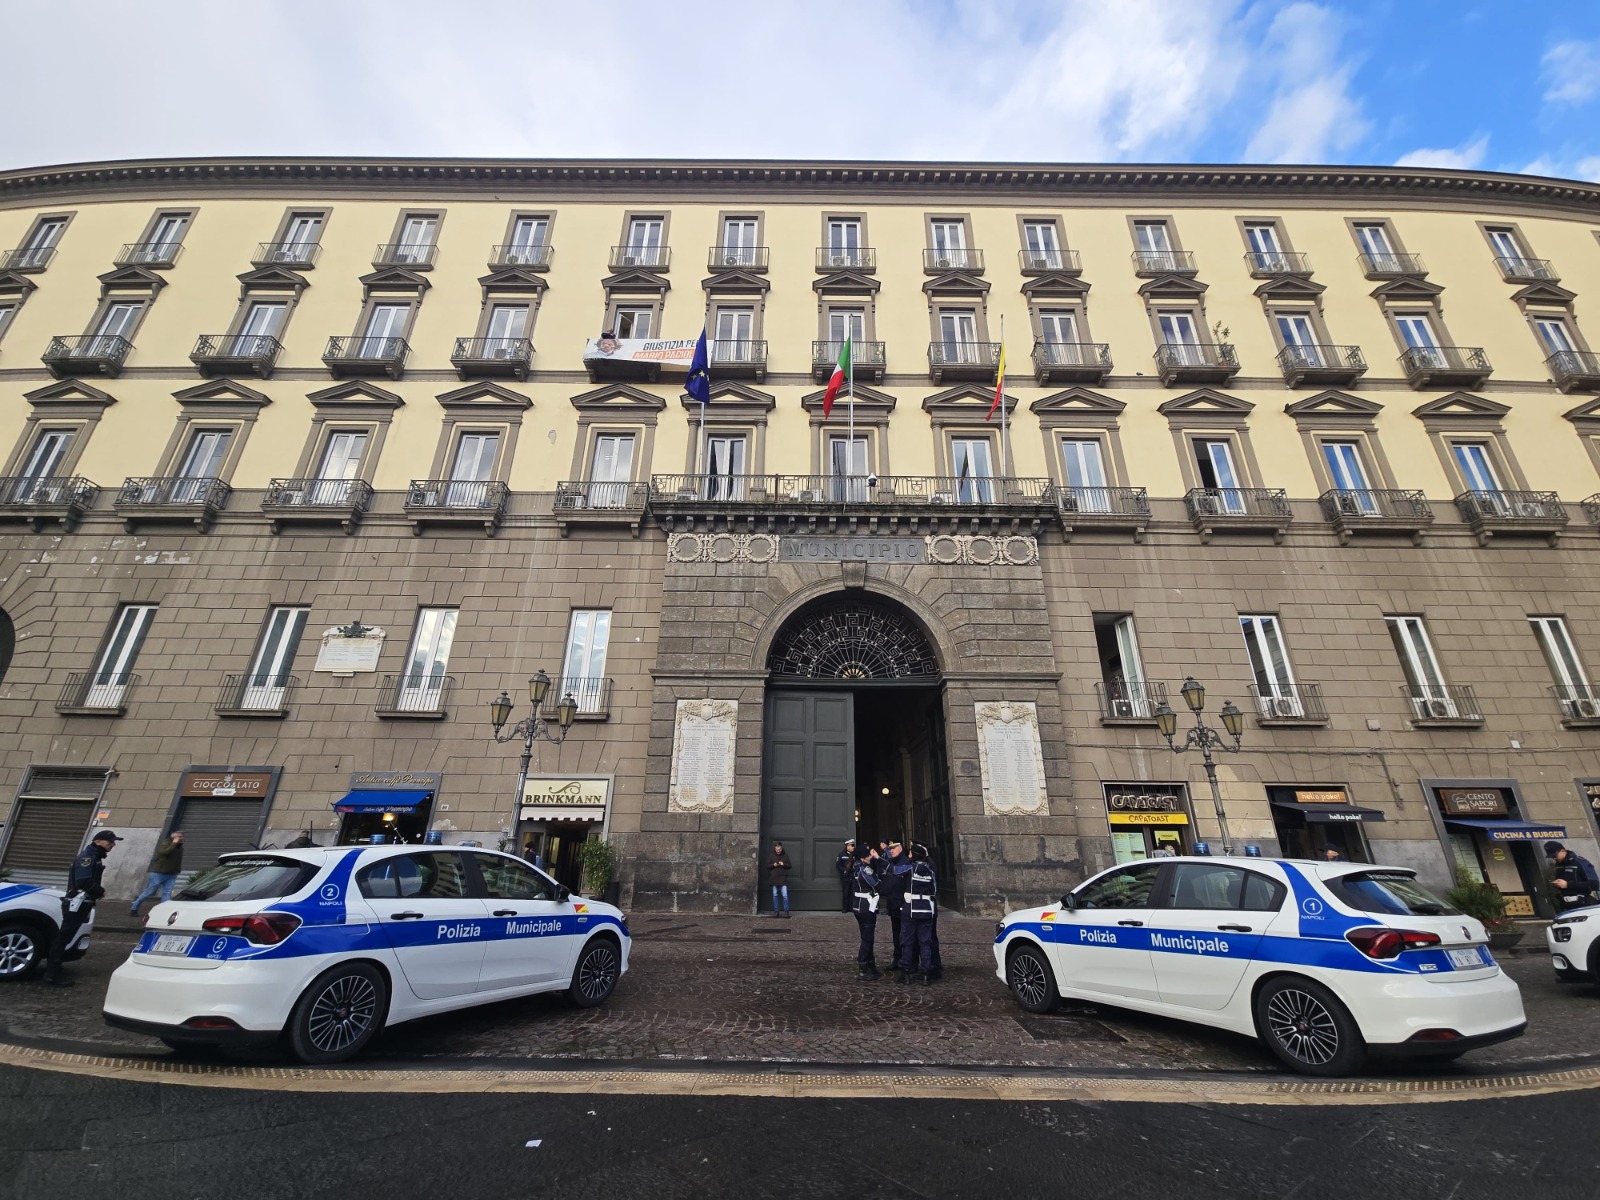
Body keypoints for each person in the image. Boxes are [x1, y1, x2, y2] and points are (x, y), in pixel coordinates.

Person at [44, 829, 122, 986]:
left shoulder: (94, 856)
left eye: (114, 842)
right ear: (98, 842)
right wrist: (100, 891)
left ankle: (54, 970)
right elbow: (84, 881)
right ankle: (52, 973)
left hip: (81, 903)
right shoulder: (88, 857)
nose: (112, 845)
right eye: (110, 842)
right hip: (76, 903)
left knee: (66, 936)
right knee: (64, 937)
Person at [899, 841, 940, 985]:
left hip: (911, 909)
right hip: (926, 910)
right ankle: (926, 974)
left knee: (907, 941)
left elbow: (895, 871)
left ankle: (906, 972)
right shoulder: (930, 871)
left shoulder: (910, 869)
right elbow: (934, 890)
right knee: (925, 942)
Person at [128, 830, 183, 916]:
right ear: (174, 837)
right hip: (160, 873)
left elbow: (177, 860)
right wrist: (173, 844)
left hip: (172, 873)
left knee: (167, 893)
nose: (181, 838)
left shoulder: (179, 847)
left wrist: (178, 870)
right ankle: (134, 907)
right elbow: (164, 852)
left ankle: (165, 912)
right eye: (180, 837)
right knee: (150, 891)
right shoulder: (165, 843)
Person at [849, 847, 882, 979]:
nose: (870, 857)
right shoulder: (864, 869)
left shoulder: (855, 868)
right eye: (868, 855)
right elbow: (876, 883)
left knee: (866, 936)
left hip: (858, 905)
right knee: (867, 938)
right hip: (866, 906)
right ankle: (863, 966)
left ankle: (870, 965)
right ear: (863, 858)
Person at [879, 841, 911, 972]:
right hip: (893, 903)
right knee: (896, 933)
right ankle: (897, 958)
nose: (891, 851)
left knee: (905, 934)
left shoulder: (905, 863)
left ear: (900, 849)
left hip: (902, 904)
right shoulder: (891, 861)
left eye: (893, 849)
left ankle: (906, 960)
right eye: (890, 849)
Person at [1545, 841, 1600, 911]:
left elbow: (1594, 885)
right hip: (1566, 905)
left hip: (1583, 904)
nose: (1554, 858)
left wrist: (1568, 884)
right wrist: (1558, 884)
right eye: (1552, 857)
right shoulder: (1558, 865)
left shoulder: (1579, 862)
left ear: (1562, 851)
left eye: (1555, 855)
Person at [768, 841, 792, 918]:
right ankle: (776, 912)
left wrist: (783, 864)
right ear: (775, 849)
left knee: (785, 895)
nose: (778, 851)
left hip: (783, 878)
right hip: (774, 878)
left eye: (779, 849)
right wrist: (773, 865)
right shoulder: (771, 856)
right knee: (775, 895)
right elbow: (767, 866)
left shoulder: (785, 856)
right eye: (777, 849)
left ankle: (786, 912)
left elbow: (789, 866)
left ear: (781, 848)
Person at [835, 839, 856, 913]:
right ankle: (845, 908)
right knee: (846, 893)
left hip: (853, 877)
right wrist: (844, 871)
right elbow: (838, 865)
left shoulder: (855, 855)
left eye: (853, 845)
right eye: (852, 845)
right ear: (847, 846)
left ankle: (851, 908)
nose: (853, 847)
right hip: (845, 877)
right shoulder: (841, 854)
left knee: (852, 893)